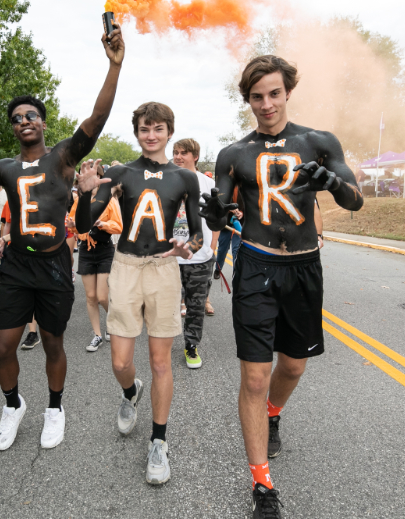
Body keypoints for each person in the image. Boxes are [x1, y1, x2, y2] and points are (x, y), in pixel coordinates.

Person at [201, 55, 363, 518]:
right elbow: (219, 209)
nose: (266, 104)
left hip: (304, 268)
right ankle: (262, 485)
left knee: (291, 367)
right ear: (247, 100)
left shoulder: (318, 141)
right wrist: (213, 213)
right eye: (257, 96)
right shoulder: (234, 154)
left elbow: (355, 200)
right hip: (256, 268)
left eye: (274, 93)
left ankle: (274, 412)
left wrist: (331, 181)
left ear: (287, 91)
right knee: (253, 374)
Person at [0, 23, 125, 451]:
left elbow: (97, 118)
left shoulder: (63, 157)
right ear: (11, 129)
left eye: (30, 115)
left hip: (53, 265)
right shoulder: (5, 167)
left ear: (43, 122)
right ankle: (13, 405)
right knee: (3, 346)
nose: (23, 121)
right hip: (17, 267)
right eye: (16, 119)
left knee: (51, 341)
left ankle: (54, 407)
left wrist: (114, 66)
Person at [75, 102, 202, 486]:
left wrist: (188, 249)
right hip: (126, 267)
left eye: (159, 128)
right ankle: (131, 392)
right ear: (137, 133)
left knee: (161, 362)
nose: (152, 135)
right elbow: (86, 225)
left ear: (169, 131)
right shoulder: (120, 173)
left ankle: (159, 442)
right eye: (145, 128)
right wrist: (83, 194)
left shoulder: (184, 178)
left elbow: (196, 233)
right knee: (119, 361)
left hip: (163, 269)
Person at [172, 138, 217, 369]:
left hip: (199, 257)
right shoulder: (166, 180)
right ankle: (161, 344)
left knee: (196, 305)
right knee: (166, 305)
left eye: (184, 153)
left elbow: (218, 220)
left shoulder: (207, 183)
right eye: (176, 152)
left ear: (195, 156)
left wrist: (212, 248)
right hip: (169, 257)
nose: (178, 157)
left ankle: (191, 345)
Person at [68, 163, 123, 352]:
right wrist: (72, 225)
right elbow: (74, 225)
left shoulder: (109, 200)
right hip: (85, 250)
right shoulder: (79, 201)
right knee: (90, 296)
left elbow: (118, 226)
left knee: (101, 296)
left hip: (104, 249)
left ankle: (113, 320)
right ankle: (97, 335)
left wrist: (102, 222)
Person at [0, 201, 40, 350]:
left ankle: (44, 327)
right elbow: (8, 223)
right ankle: (32, 333)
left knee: (36, 291)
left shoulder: (40, 198)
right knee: (23, 292)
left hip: (38, 251)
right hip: (15, 252)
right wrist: (3, 244)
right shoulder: (10, 201)